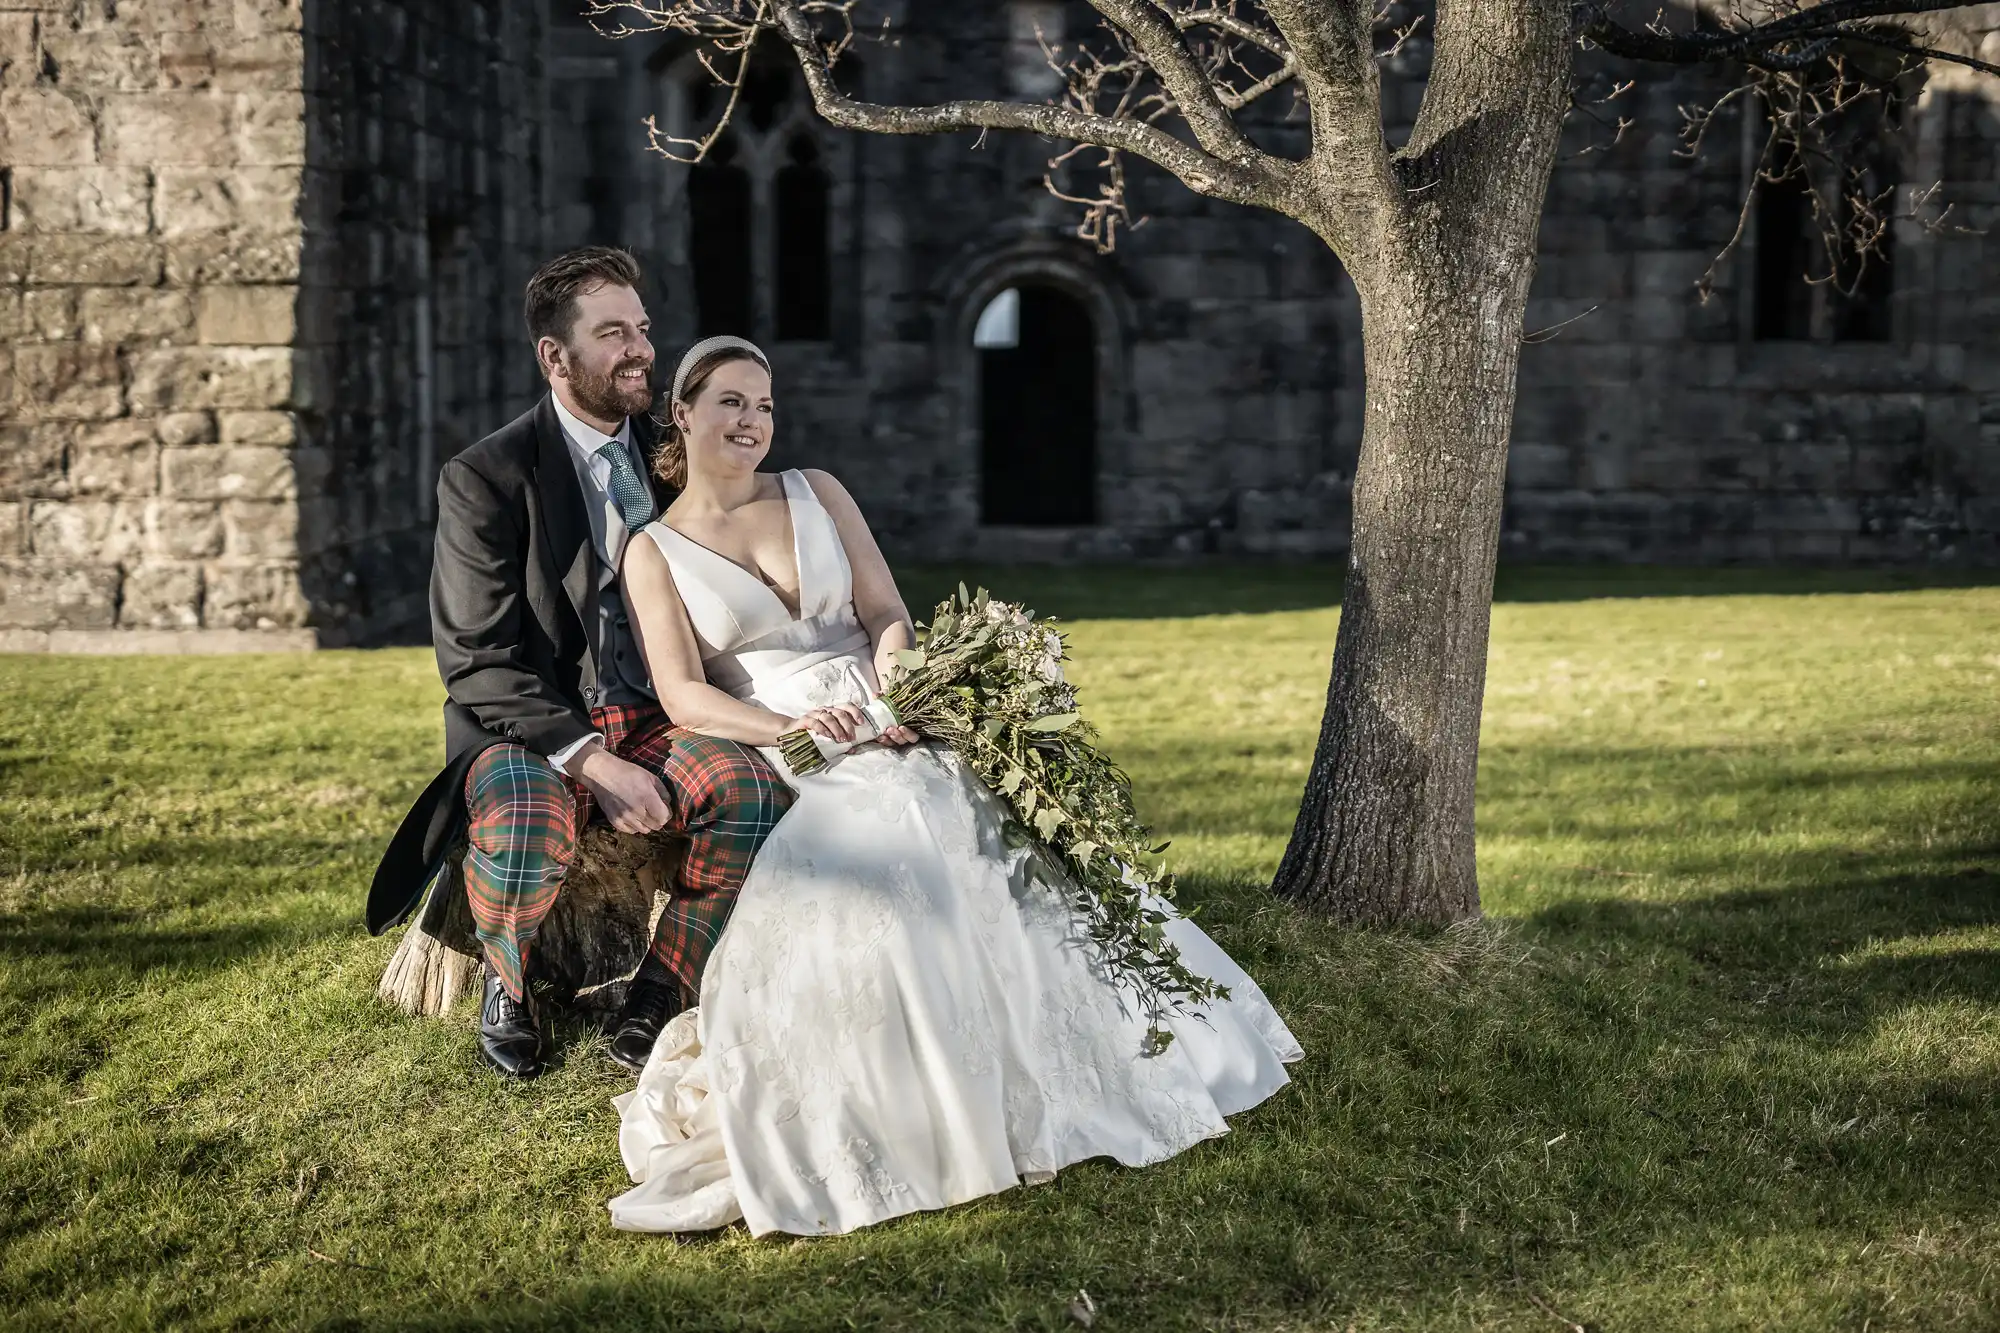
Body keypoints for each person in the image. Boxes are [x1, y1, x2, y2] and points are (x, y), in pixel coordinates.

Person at [606, 336, 1302, 1236]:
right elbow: (682, 691)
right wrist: (792, 729)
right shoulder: (654, 550)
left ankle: (1092, 1058)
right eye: (733, 402)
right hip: (792, 734)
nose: (752, 422)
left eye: (766, 406)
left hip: (890, 707)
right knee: (885, 842)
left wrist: (901, 685)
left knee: (979, 813)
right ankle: (933, 1097)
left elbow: (886, 612)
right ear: (683, 411)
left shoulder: (819, 491)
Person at [367, 251, 793, 1080]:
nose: (640, 349)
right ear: (553, 357)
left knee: (747, 793)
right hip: (534, 730)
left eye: (641, 328)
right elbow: (476, 662)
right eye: (612, 334)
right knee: (528, 821)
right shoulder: (485, 478)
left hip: (659, 715)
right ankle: (508, 981)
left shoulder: (678, 455)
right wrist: (590, 762)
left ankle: (662, 991)